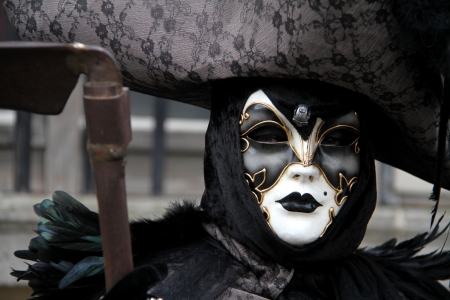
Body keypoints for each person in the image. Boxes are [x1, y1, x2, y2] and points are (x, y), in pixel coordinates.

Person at [4, 0, 450, 299]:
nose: (305, 169)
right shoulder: (164, 285)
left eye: (334, 141)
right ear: (224, 151)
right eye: (270, 138)